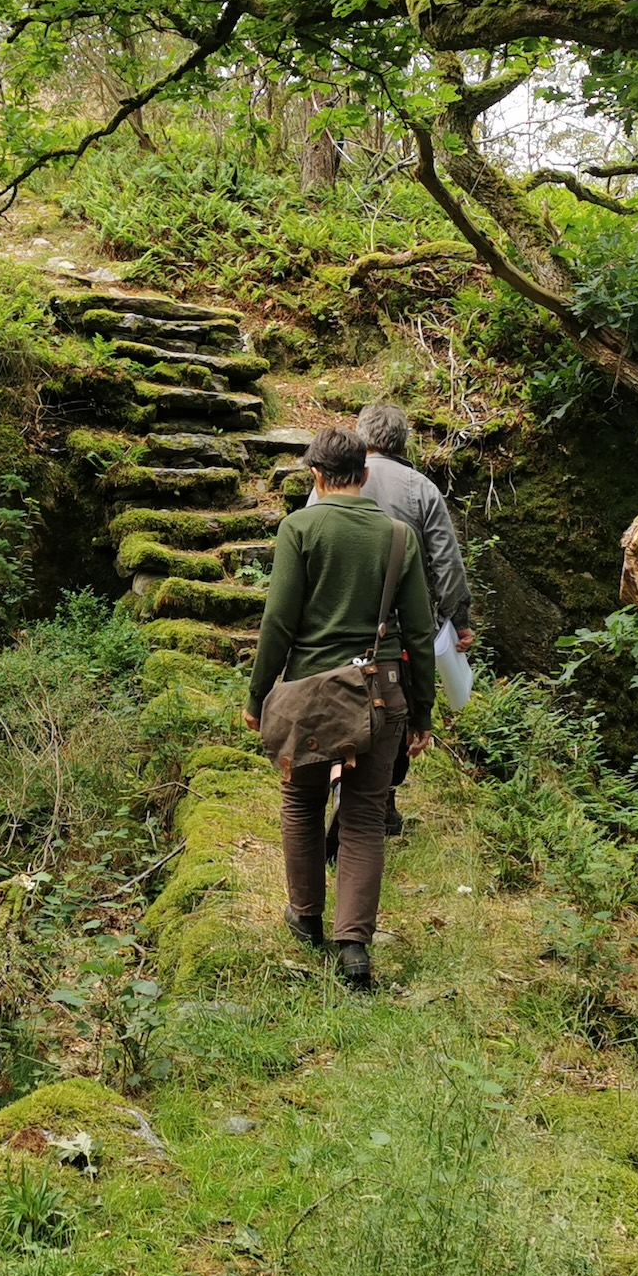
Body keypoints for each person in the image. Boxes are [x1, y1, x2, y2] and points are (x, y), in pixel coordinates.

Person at [244, 426, 436, 989]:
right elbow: (419, 634)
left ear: (316, 475)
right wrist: (421, 715)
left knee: (301, 804)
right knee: (365, 816)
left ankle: (305, 918)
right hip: (382, 693)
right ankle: (354, 945)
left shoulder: (299, 528)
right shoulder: (399, 536)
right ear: (366, 473)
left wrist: (258, 697)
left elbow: (278, 622)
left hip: (311, 695)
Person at [321, 401, 471, 849]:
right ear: (402, 442)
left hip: (335, 617)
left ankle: (340, 780)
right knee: (396, 707)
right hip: (401, 624)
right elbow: (446, 563)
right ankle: (380, 800)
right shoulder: (421, 488)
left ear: (361, 439)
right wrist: (457, 620)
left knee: (340, 699)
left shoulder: (328, 482)